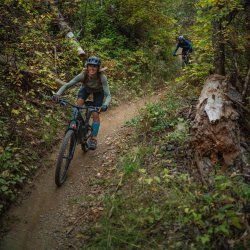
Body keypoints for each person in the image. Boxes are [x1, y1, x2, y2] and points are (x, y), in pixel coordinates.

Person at [54, 56, 111, 150]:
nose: (92, 68)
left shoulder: (102, 77)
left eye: (95, 66)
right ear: (87, 66)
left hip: (98, 92)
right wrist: (58, 94)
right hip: (85, 89)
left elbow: (108, 95)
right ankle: (74, 123)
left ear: (98, 68)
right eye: (90, 66)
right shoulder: (83, 75)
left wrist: (105, 105)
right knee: (78, 104)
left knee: (95, 114)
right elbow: (68, 85)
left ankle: (93, 138)